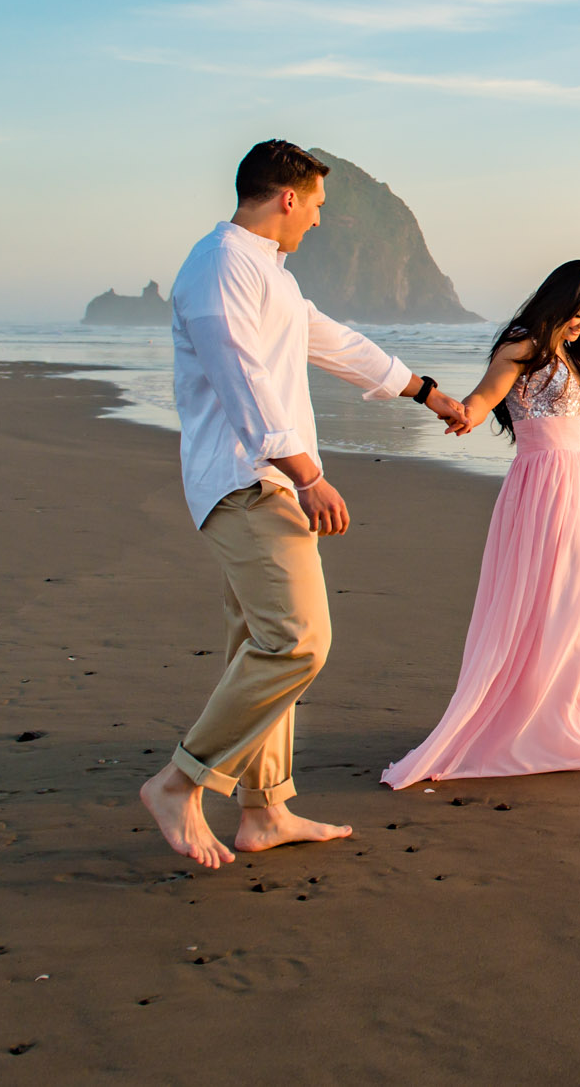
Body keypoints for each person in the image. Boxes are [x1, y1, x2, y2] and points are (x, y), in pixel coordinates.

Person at [139, 140, 465, 869]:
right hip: (245, 480)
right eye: (316, 204)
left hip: (265, 479)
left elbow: (335, 342)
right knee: (297, 642)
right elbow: (241, 381)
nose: (318, 220)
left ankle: (265, 809)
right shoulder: (221, 266)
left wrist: (423, 390)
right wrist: (308, 473)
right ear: (288, 196)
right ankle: (179, 782)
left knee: (260, 642)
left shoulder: (267, 274)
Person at [382, 260, 580, 788]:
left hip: (572, 485)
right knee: (540, 603)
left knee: (578, 604)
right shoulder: (522, 345)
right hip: (539, 488)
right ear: (558, 302)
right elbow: (486, 395)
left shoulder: (570, 351)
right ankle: (525, 726)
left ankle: (554, 718)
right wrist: (459, 410)